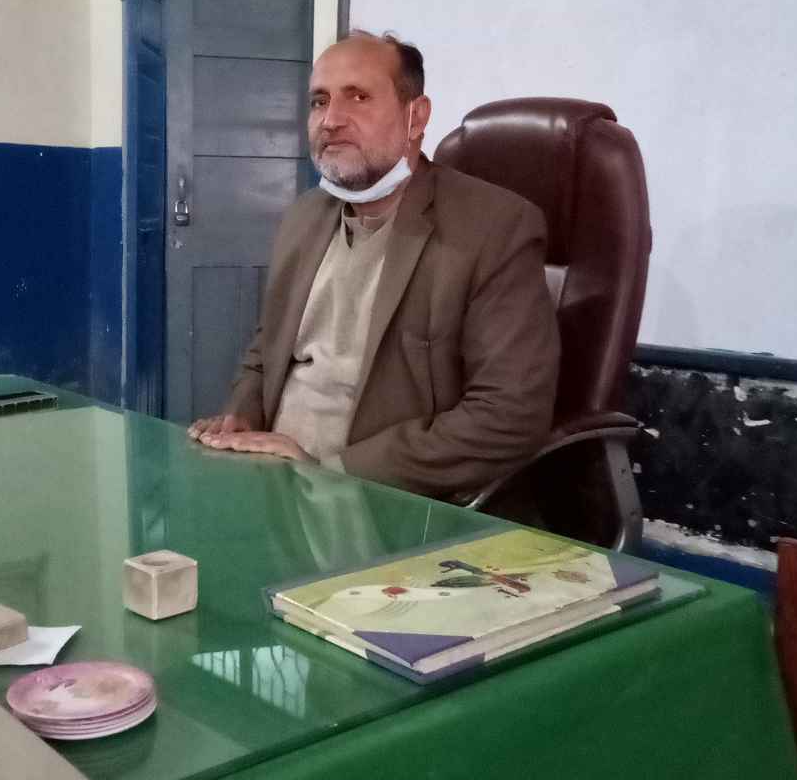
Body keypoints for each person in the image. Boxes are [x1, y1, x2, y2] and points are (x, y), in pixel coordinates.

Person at [188, 31, 559, 502]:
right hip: (272, 485)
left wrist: (330, 472)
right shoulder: (304, 216)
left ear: (415, 117)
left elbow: (509, 415)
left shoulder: (495, 229)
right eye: (319, 101)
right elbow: (267, 350)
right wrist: (241, 416)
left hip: (381, 500)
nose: (331, 120)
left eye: (358, 97)